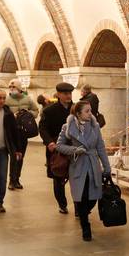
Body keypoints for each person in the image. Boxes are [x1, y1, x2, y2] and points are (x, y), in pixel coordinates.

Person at [56, 100, 111, 241]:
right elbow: (59, 146)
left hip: (93, 165)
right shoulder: (67, 127)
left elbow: (101, 148)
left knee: (94, 196)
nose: (90, 113)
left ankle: (83, 214)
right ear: (78, 113)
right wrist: (74, 150)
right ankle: (85, 225)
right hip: (78, 165)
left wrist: (107, 167)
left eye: (90, 110)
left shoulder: (95, 126)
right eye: (87, 111)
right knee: (81, 197)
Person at [39, 82, 74, 214]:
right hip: (56, 149)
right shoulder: (49, 110)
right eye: (65, 93)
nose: (68, 96)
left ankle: (78, 207)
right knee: (58, 178)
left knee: (77, 178)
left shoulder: (77, 108)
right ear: (59, 94)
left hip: (74, 148)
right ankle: (62, 204)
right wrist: (49, 143)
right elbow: (42, 128)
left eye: (70, 93)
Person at [5, 79, 39, 190]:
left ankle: (17, 179)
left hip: (23, 132)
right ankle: (11, 180)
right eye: (10, 87)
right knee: (14, 156)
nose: (11, 89)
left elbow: (36, 111)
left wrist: (27, 114)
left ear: (19, 89)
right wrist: (11, 115)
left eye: (13, 87)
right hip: (11, 132)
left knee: (21, 156)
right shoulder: (6, 99)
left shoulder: (27, 99)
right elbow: (3, 113)